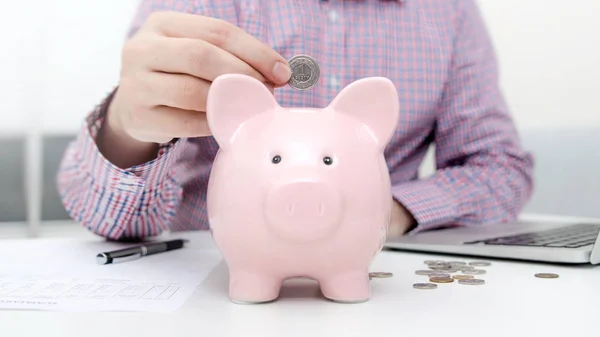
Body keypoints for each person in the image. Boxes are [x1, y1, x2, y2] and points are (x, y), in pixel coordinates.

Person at [56, 0, 534, 241]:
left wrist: (383, 212)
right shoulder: (200, 5)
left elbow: (500, 167)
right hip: (213, 272)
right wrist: (127, 128)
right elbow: (112, 223)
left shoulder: (447, 12)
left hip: (377, 273)